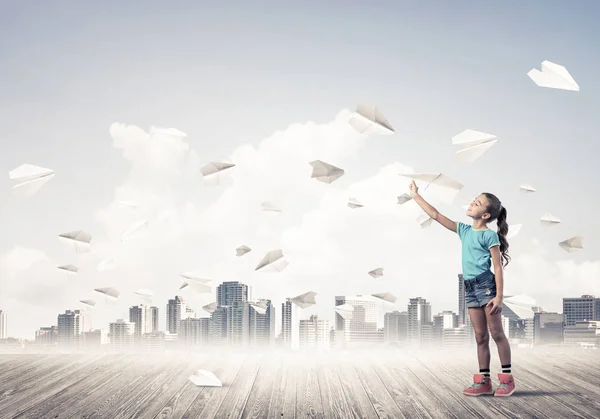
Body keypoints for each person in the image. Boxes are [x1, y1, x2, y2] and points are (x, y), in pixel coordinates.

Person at [408, 180, 515, 397]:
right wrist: (415, 196)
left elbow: (497, 266)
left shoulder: (489, 235)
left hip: (486, 285)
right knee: (479, 336)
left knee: (496, 333)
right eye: (473, 201)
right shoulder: (464, 230)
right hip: (469, 286)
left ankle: (507, 379)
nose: (471, 204)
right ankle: (484, 381)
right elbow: (436, 215)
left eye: (477, 203)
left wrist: (499, 296)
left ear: (486, 215)